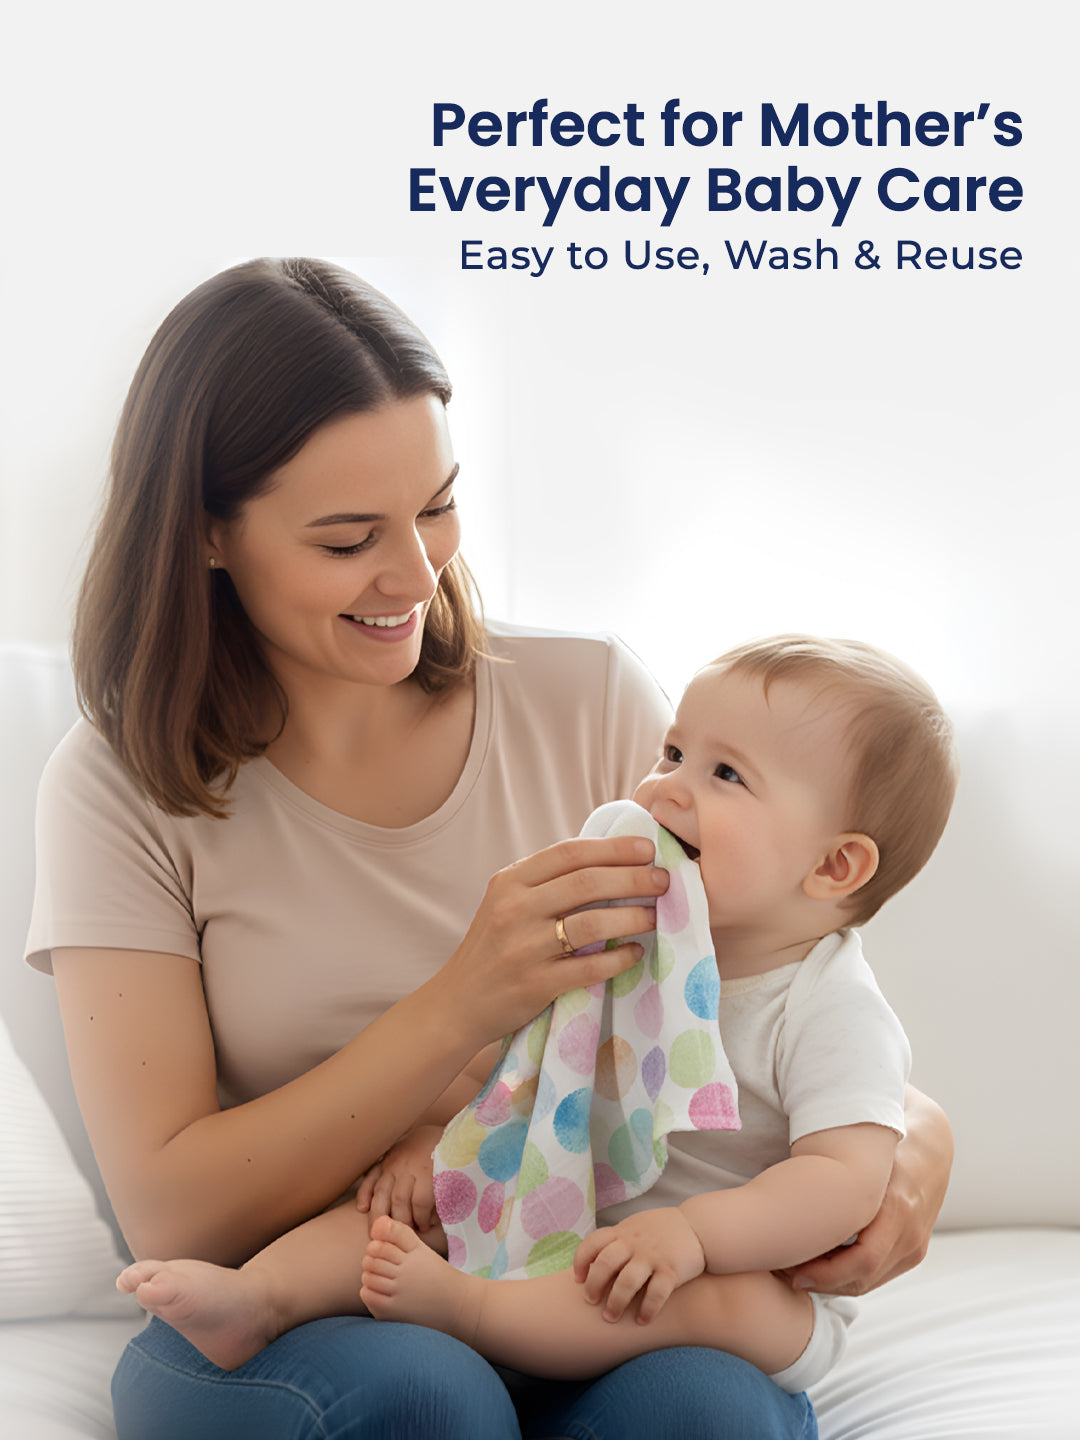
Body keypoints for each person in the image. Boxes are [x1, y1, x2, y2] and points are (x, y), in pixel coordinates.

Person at [25, 257, 954, 1440]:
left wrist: (920, 1143)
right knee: (427, 1395)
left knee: (705, 1411)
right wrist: (464, 999)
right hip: (319, 1299)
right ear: (209, 534)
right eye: (349, 536)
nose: (418, 573)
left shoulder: (590, 699)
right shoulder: (120, 790)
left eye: (438, 505)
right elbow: (172, 1216)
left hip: (572, 1264)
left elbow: (779, 997)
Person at [115, 634, 956, 1401]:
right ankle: (260, 1298)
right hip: (567, 1214)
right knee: (423, 1202)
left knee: (713, 1305)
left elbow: (843, 1181)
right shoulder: (628, 927)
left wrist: (694, 1236)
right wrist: (430, 1145)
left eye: (724, 774)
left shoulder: (830, 1005)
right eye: (672, 752)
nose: (665, 786)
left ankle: (475, 1314)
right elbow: (511, 1063)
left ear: (835, 864)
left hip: (733, 1277)